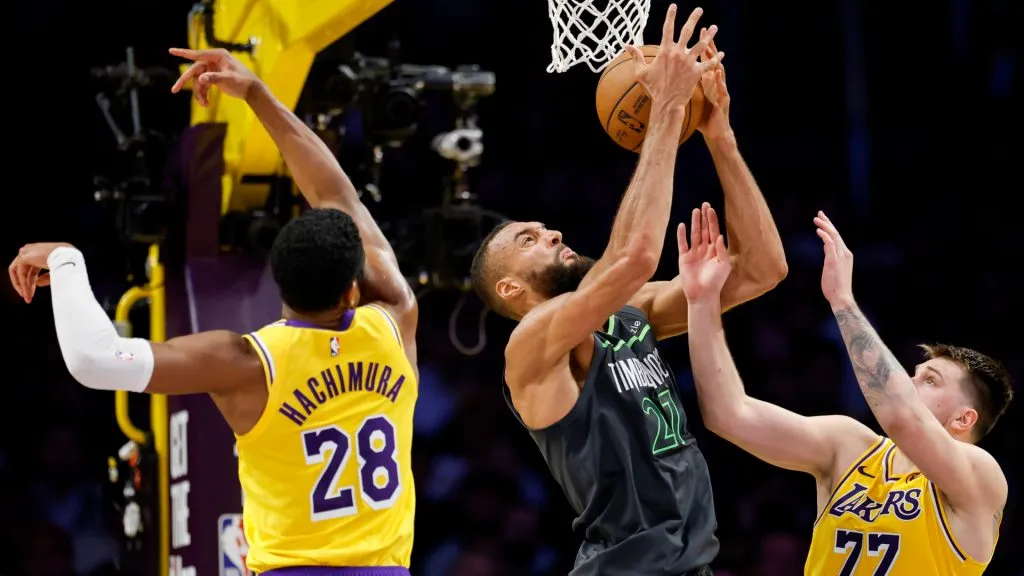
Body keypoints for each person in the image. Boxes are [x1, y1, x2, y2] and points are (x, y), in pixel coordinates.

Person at [8, 50, 421, 576]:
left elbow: (94, 360)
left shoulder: (248, 362)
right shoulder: (394, 319)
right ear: (351, 293)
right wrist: (259, 94)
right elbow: (337, 194)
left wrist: (68, 262)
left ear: (280, 284)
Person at [468, 6, 788, 574]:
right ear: (509, 285)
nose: (553, 232)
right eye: (529, 238)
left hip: (691, 564)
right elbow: (635, 257)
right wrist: (664, 107)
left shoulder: (630, 316)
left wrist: (720, 136)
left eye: (544, 227)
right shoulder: (533, 347)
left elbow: (763, 269)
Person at [680, 207, 1011, 575]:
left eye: (930, 380)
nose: (909, 382)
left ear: (964, 418)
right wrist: (701, 301)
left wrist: (842, 301)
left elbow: (902, 417)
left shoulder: (981, 477)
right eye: (914, 374)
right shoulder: (849, 445)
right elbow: (728, 413)